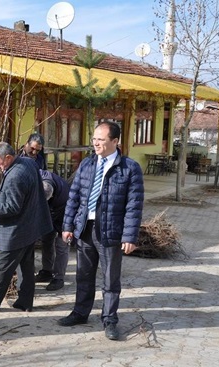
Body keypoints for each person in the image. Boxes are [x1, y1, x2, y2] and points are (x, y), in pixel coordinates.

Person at [57, 122, 144, 341]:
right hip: (85, 229)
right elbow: (74, 197)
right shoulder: (86, 164)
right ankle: (80, 312)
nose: (95, 143)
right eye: (94, 138)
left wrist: (129, 236)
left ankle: (110, 320)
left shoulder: (129, 168)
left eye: (101, 139)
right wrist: (68, 226)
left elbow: (134, 205)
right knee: (83, 275)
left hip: (111, 232)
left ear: (115, 142)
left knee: (110, 280)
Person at [0, 142, 52, 313]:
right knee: (26, 268)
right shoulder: (27, 162)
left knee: (2, 267)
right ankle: (25, 302)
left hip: (15, 230)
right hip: (30, 225)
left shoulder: (15, 175)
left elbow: (11, 207)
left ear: (8, 157)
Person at [35, 169, 70, 291]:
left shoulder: (63, 194)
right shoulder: (36, 178)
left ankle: (58, 278)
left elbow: (70, 210)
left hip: (64, 215)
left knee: (62, 245)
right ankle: (47, 271)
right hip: (49, 213)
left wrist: (67, 228)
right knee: (47, 241)